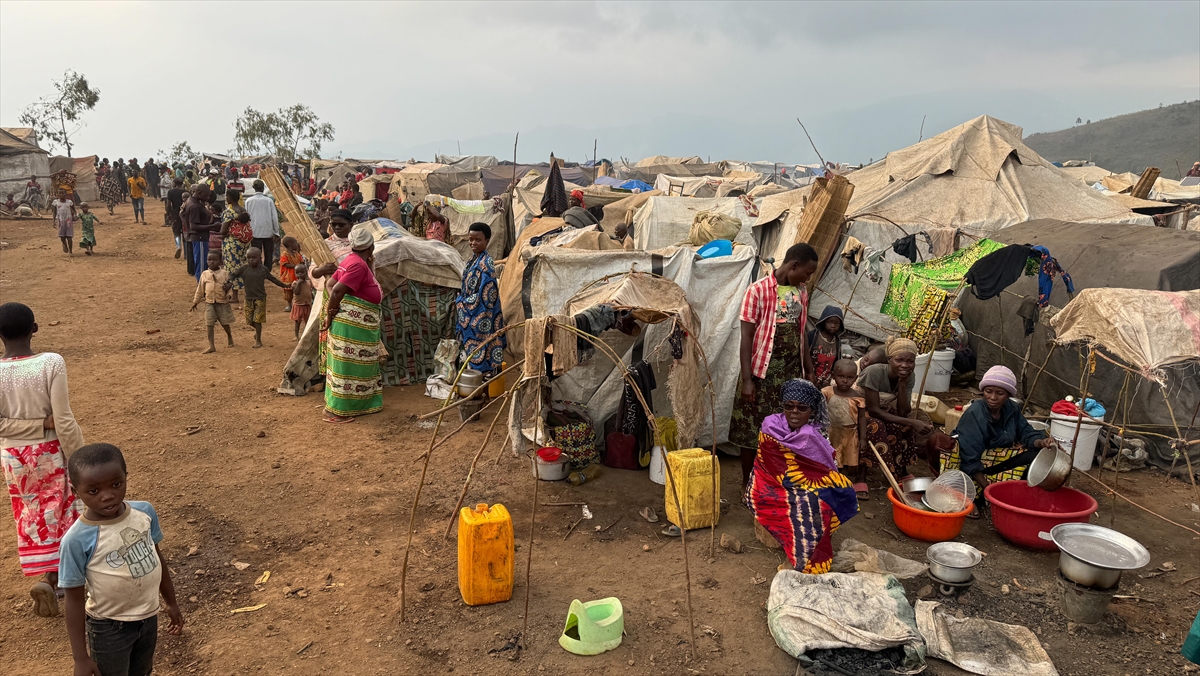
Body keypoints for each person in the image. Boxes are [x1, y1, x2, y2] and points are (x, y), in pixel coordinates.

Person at [59, 443, 183, 676]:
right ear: (76, 492)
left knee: (143, 670)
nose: (108, 495)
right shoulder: (76, 540)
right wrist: (80, 658)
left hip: (148, 617)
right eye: (93, 491)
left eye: (116, 484)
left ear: (126, 477)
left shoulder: (144, 513)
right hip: (109, 628)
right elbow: (73, 599)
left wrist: (171, 602)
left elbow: (157, 558)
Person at [0, 302, 85, 617]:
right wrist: (79, 456)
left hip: (13, 457)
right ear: (35, 328)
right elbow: (62, 420)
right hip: (49, 451)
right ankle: (56, 577)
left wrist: (28, 427)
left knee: (30, 511)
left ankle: (46, 575)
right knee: (63, 509)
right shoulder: (51, 363)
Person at [744, 379, 859, 573]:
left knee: (841, 491)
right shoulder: (770, 425)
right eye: (789, 406)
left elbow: (825, 467)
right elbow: (767, 464)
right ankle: (801, 557)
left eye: (802, 408)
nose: (794, 412)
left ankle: (810, 545)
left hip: (803, 482)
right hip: (769, 484)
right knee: (810, 505)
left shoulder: (813, 434)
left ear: (812, 410)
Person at [731, 243, 819, 487]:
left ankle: (773, 482)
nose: (807, 278)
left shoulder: (801, 291)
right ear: (793, 266)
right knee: (750, 432)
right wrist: (748, 380)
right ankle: (747, 485)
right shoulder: (757, 290)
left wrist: (809, 370)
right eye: (807, 273)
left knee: (785, 430)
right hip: (760, 374)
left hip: (789, 374)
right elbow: (746, 337)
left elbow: (801, 333)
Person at [942, 365, 1055, 494]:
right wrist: (988, 489)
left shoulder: (1012, 408)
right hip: (977, 463)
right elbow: (969, 457)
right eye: (988, 391)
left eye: (1000, 393)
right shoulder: (975, 413)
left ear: (1008, 395)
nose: (993, 397)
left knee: (1037, 456)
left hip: (998, 457)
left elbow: (1025, 431)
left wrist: (1041, 442)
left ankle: (1026, 492)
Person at [322, 227, 384, 422]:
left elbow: (330, 285)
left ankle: (354, 406)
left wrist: (335, 310)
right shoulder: (357, 265)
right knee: (348, 368)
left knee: (354, 366)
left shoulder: (350, 260)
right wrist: (332, 313)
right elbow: (337, 290)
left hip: (353, 325)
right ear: (371, 247)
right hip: (352, 325)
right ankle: (339, 411)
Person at [857, 336, 937, 481]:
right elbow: (873, 410)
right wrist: (912, 422)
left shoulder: (909, 376)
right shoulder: (874, 372)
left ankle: (901, 469)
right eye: (899, 360)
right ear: (889, 360)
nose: (905, 365)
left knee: (903, 426)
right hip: (860, 411)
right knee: (876, 426)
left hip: (882, 409)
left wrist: (902, 384)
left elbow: (903, 411)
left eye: (910, 361)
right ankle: (861, 476)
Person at [454, 222, 506, 376]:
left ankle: (483, 381)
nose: (473, 243)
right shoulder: (473, 260)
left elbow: (485, 298)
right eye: (470, 239)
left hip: (482, 315)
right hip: (471, 312)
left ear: (487, 240)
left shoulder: (485, 265)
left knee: (483, 347)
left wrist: (462, 303)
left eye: (477, 240)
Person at [823, 359, 869, 499]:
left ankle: (842, 486)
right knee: (830, 458)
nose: (845, 380)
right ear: (833, 376)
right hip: (831, 431)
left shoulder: (858, 397)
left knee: (845, 460)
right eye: (841, 376)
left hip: (849, 433)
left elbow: (861, 418)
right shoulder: (826, 392)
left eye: (849, 378)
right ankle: (829, 484)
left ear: (855, 379)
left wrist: (862, 438)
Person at [227, 247, 287, 349]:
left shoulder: (263, 270)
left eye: (254, 257)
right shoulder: (244, 269)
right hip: (248, 298)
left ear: (260, 258)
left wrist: (284, 286)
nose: (251, 260)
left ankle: (258, 340)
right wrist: (229, 281)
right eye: (249, 257)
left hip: (260, 298)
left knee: (258, 319)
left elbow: (273, 279)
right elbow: (233, 275)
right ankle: (258, 331)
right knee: (249, 320)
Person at [191, 250, 235, 353]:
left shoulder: (225, 274)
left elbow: (229, 288)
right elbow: (200, 289)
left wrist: (229, 296)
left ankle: (229, 336)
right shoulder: (204, 274)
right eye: (209, 259)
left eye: (215, 260)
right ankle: (211, 346)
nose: (211, 262)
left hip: (222, 303)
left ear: (220, 261)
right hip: (209, 303)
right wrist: (195, 302)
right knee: (209, 324)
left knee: (225, 323)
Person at [219, 190, 251, 306]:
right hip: (245, 243)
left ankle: (235, 295)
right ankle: (248, 293)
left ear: (230, 198)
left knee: (232, 268)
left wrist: (224, 234)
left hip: (232, 244)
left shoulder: (229, 212)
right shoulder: (243, 211)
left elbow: (223, 231)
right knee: (244, 266)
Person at [182, 184, 219, 280]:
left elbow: (181, 214)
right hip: (199, 238)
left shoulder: (192, 201)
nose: (207, 198)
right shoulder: (194, 206)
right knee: (202, 265)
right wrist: (212, 227)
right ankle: (201, 286)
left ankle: (202, 286)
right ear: (198, 193)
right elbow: (194, 226)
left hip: (200, 237)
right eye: (206, 195)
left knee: (200, 262)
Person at [806, 305, 845, 389]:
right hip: (808, 376)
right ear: (824, 322)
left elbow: (836, 362)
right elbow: (804, 355)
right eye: (830, 322)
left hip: (825, 380)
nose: (833, 326)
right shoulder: (813, 336)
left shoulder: (837, 341)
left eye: (836, 323)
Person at [245, 180, 280, 270]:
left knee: (256, 253)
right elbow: (274, 218)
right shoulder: (269, 201)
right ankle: (267, 271)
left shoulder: (248, 201)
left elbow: (246, 217)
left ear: (254, 188)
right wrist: (276, 232)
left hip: (254, 232)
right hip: (268, 232)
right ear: (263, 188)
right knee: (268, 253)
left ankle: (257, 270)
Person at [279, 236, 305, 312]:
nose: (297, 245)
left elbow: (301, 260)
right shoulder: (284, 255)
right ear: (291, 244)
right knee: (288, 291)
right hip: (288, 277)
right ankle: (289, 305)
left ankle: (297, 304)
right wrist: (298, 266)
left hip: (297, 275)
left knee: (298, 289)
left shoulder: (297, 254)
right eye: (296, 243)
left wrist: (302, 264)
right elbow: (286, 265)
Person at [290, 263, 313, 339]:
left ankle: (306, 335)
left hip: (307, 305)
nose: (300, 274)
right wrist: (299, 283)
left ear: (306, 273)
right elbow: (296, 292)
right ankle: (296, 336)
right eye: (297, 273)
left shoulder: (309, 282)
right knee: (297, 321)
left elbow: (310, 292)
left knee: (308, 321)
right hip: (298, 305)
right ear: (295, 274)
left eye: (302, 272)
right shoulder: (295, 283)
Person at [165, 179, 188, 259]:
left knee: (176, 232)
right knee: (185, 233)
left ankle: (178, 246)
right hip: (185, 214)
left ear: (174, 183)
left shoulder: (171, 192)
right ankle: (186, 254)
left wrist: (168, 213)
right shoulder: (186, 191)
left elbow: (168, 205)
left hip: (175, 214)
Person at [51, 190, 77, 255]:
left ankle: (70, 251)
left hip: (68, 221)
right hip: (60, 221)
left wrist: (74, 216)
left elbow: (74, 210)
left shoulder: (69, 202)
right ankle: (64, 243)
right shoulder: (55, 202)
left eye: (63, 193)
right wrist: (53, 221)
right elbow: (54, 212)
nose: (61, 194)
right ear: (58, 194)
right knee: (62, 236)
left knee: (69, 236)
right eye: (60, 193)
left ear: (65, 194)